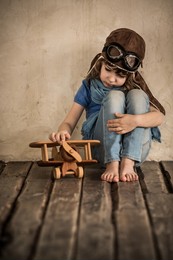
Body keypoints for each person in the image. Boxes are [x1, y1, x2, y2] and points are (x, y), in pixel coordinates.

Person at [49, 28, 165, 183]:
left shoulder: (133, 87)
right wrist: (62, 132)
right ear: (101, 62)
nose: (111, 79)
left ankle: (128, 162)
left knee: (138, 95)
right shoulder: (89, 86)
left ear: (130, 74)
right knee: (115, 95)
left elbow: (159, 117)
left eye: (120, 75)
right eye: (108, 70)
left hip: (136, 151)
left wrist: (135, 121)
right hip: (101, 149)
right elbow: (69, 121)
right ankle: (112, 163)